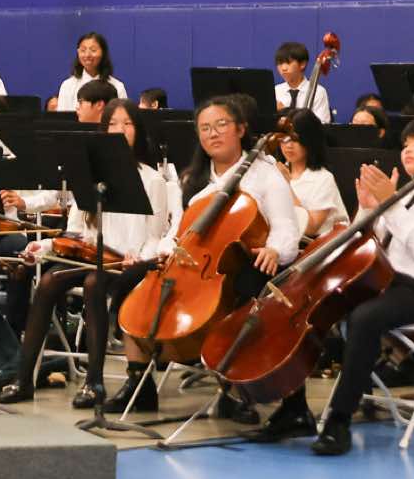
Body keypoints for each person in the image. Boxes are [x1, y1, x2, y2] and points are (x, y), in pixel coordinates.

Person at [113, 95, 300, 416]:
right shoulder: (193, 179)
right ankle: (139, 383)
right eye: (205, 128)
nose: (213, 134)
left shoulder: (266, 176)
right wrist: (166, 249)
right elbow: (178, 230)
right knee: (130, 281)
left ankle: (234, 390)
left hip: (248, 261)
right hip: (194, 261)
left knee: (245, 292)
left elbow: (286, 228)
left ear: (241, 129)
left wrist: (274, 249)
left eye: (221, 125)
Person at [308, 116, 414, 457]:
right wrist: (367, 209)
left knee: (365, 318)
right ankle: (295, 406)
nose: (408, 149)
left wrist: (392, 203)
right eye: (405, 144)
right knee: (319, 305)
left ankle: (339, 420)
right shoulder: (409, 193)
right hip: (386, 284)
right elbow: (365, 243)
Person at [0, 98, 179, 407]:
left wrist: (138, 257)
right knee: (48, 282)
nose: (120, 130)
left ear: (138, 130)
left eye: (127, 124)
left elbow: (155, 235)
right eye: (112, 124)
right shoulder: (89, 176)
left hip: (128, 263)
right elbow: (76, 232)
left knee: (95, 283)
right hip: (91, 255)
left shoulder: (153, 180)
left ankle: (94, 382)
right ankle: (23, 379)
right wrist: (44, 247)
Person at [276, 109, 343, 240]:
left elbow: (311, 228)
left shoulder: (324, 179)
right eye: (284, 138)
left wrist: (287, 186)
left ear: (310, 140)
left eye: (295, 139)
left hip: (316, 247)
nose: (288, 145)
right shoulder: (275, 170)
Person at [54, 31, 124, 112]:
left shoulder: (117, 86)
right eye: (83, 50)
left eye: (93, 50)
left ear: (103, 53)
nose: (87, 55)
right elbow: (63, 117)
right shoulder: (68, 86)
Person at [273, 41, 332, 122]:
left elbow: (322, 124)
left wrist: (285, 111)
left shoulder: (317, 91)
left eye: (288, 63)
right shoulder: (275, 91)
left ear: (302, 64)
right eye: (279, 64)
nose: (283, 68)